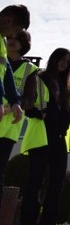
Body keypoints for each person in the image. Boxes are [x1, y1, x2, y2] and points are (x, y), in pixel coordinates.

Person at [19, 48, 70, 225]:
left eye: (67, 61)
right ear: (54, 59)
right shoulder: (38, 78)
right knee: (36, 181)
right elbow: (27, 103)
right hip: (41, 135)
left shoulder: (66, 85)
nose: (63, 62)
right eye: (61, 59)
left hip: (59, 138)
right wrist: (42, 114)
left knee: (57, 182)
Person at [0, 29, 34, 188]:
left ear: (24, 44)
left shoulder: (30, 69)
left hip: (10, 126)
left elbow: (30, 99)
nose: (12, 40)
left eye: (17, 38)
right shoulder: (2, 60)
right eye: (9, 37)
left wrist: (16, 105)